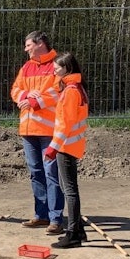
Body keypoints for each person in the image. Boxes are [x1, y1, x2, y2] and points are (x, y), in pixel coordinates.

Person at [10, 30, 65, 233]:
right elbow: (15, 89)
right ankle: (41, 215)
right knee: (36, 173)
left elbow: (56, 91)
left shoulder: (57, 65)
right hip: (28, 129)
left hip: (49, 130)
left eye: (28, 45)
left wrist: (32, 101)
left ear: (40, 43)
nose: (25, 49)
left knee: (51, 174)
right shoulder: (27, 67)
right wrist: (24, 94)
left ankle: (55, 218)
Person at [44, 52, 89, 248]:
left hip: (66, 145)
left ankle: (73, 234)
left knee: (69, 190)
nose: (54, 72)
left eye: (57, 69)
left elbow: (65, 123)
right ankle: (78, 228)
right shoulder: (72, 87)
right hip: (69, 144)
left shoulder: (71, 91)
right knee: (67, 188)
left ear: (67, 69)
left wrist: (53, 148)